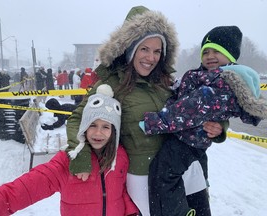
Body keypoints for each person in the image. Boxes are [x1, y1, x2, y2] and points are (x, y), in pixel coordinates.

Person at [66, 6, 226, 216]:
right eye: (144, 49)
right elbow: (78, 119)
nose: (151, 57)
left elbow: (199, 108)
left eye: (157, 51)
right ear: (129, 47)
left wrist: (220, 127)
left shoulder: (167, 82)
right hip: (144, 176)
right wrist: (80, 154)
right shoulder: (111, 85)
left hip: (184, 166)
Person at [140, 25, 267, 216]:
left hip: (186, 141)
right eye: (205, 51)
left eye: (217, 51)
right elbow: (187, 101)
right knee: (184, 182)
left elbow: (191, 109)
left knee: (163, 177)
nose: (210, 55)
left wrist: (154, 122)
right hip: (187, 140)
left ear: (231, 56)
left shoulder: (221, 82)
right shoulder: (205, 77)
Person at [0, 84, 139, 216]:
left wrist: (131, 212)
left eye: (105, 127)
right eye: (92, 125)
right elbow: (31, 185)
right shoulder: (68, 160)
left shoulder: (120, 156)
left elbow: (122, 190)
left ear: (114, 130)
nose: (98, 132)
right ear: (83, 126)